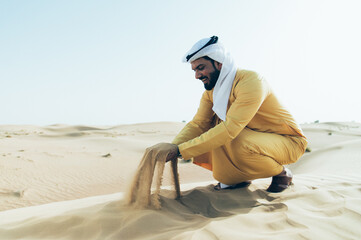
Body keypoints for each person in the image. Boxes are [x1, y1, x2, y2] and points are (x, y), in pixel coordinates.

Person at [163, 36, 307, 192]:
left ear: (218, 63)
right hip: (248, 138)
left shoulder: (251, 81)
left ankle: (281, 173)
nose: (197, 75)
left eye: (201, 68)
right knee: (223, 173)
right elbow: (199, 123)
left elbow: (231, 128)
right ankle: (238, 180)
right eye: (195, 70)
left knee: (236, 140)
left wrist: (180, 151)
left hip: (288, 142)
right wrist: (172, 146)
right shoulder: (211, 93)